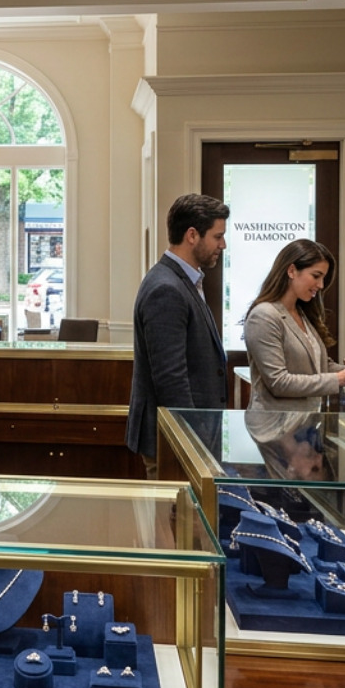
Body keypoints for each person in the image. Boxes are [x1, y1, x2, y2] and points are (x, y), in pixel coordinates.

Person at [126, 193, 230, 476]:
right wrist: (192, 443)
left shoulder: (183, 280)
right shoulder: (166, 288)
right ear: (192, 235)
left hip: (189, 438)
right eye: (217, 236)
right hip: (176, 443)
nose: (223, 244)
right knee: (172, 521)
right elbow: (171, 379)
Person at [243, 239, 345, 411]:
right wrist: (340, 378)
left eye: (323, 278)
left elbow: (321, 366)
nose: (320, 285)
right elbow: (279, 382)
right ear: (292, 271)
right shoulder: (264, 315)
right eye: (316, 276)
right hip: (274, 427)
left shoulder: (302, 314)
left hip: (303, 426)